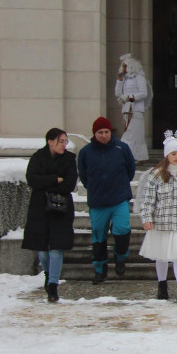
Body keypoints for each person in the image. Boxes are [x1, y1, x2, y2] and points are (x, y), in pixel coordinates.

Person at [138, 130, 177, 304]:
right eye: (173, 153)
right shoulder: (156, 175)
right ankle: (162, 285)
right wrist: (146, 217)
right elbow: (148, 199)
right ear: (167, 155)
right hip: (162, 221)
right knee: (161, 255)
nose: (176, 157)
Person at [76, 116, 136, 284]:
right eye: (100, 132)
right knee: (99, 237)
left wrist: (120, 185)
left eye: (107, 132)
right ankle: (100, 268)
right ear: (94, 134)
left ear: (111, 132)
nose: (104, 135)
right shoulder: (86, 152)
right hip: (98, 202)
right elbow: (84, 175)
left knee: (123, 229)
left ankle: (120, 257)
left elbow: (130, 170)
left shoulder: (121, 148)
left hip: (119, 199)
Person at [22, 128, 78, 302]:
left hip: (61, 208)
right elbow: (32, 180)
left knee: (56, 248)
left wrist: (46, 182)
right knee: (42, 249)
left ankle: (53, 285)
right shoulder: (38, 157)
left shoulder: (69, 159)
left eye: (65, 141)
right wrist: (55, 179)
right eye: (61, 141)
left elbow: (69, 184)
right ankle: (48, 273)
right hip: (39, 207)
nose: (64, 144)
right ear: (50, 141)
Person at [114, 53, 152, 162]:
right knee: (128, 133)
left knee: (134, 134)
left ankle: (136, 156)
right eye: (123, 66)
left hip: (136, 110)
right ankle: (129, 156)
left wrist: (130, 97)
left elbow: (143, 93)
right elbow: (117, 93)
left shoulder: (139, 77)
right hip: (126, 110)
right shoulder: (124, 79)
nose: (124, 68)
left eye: (126, 66)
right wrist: (119, 80)